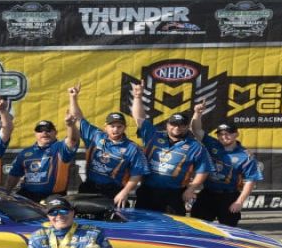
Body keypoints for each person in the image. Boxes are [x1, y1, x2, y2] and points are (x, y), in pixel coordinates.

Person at [129, 81, 212, 215]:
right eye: (173, 124)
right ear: (167, 125)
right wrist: (138, 97)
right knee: (142, 227)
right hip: (148, 191)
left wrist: (191, 189)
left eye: (181, 125)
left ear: (186, 127)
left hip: (174, 195)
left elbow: (203, 170)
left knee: (172, 230)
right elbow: (139, 118)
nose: (177, 128)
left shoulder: (195, 146)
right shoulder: (153, 135)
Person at [67, 83, 148, 208]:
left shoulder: (132, 148)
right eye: (112, 126)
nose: (115, 130)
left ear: (125, 127)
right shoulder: (96, 136)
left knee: (115, 223)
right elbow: (78, 118)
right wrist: (73, 98)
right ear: (106, 127)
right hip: (90, 187)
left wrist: (124, 192)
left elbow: (136, 174)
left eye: (119, 126)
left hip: (113, 191)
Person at [190, 102, 263, 226]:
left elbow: (250, 181)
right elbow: (196, 130)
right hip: (208, 194)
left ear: (236, 134)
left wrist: (239, 202)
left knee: (229, 231)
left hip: (229, 197)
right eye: (221, 134)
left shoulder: (246, 156)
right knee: (197, 227)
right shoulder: (212, 143)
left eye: (228, 133)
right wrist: (197, 113)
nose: (224, 137)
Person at [5, 112, 79, 202]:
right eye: (40, 130)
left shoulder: (60, 147)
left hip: (54, 197)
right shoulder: (25, 153)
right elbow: (14, 175)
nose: (44, 132)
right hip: (27, 195)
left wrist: (70, 125)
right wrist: (6, 194)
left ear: (55, 132)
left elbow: (73, 140)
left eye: (48, 130)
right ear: (35, 133)